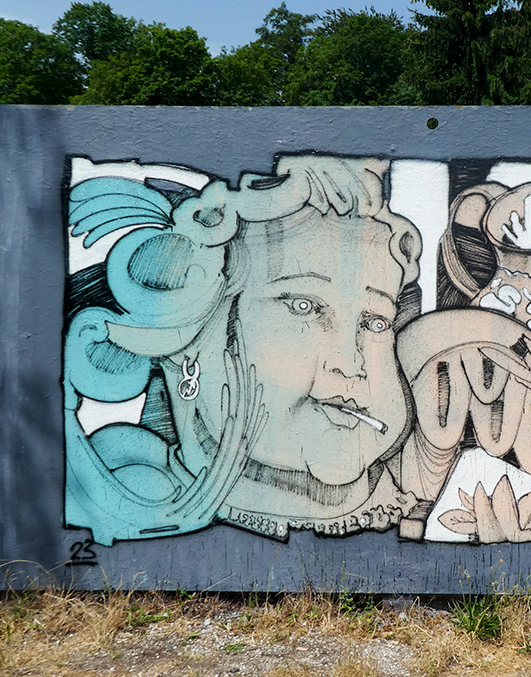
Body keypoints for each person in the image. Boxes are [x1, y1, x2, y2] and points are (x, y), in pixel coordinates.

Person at [63, 155, 423, 544]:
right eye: (304, 306)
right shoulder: (117, 494)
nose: (351, 363)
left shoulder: (422, 511)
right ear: (188, 342)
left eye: (375, 322)